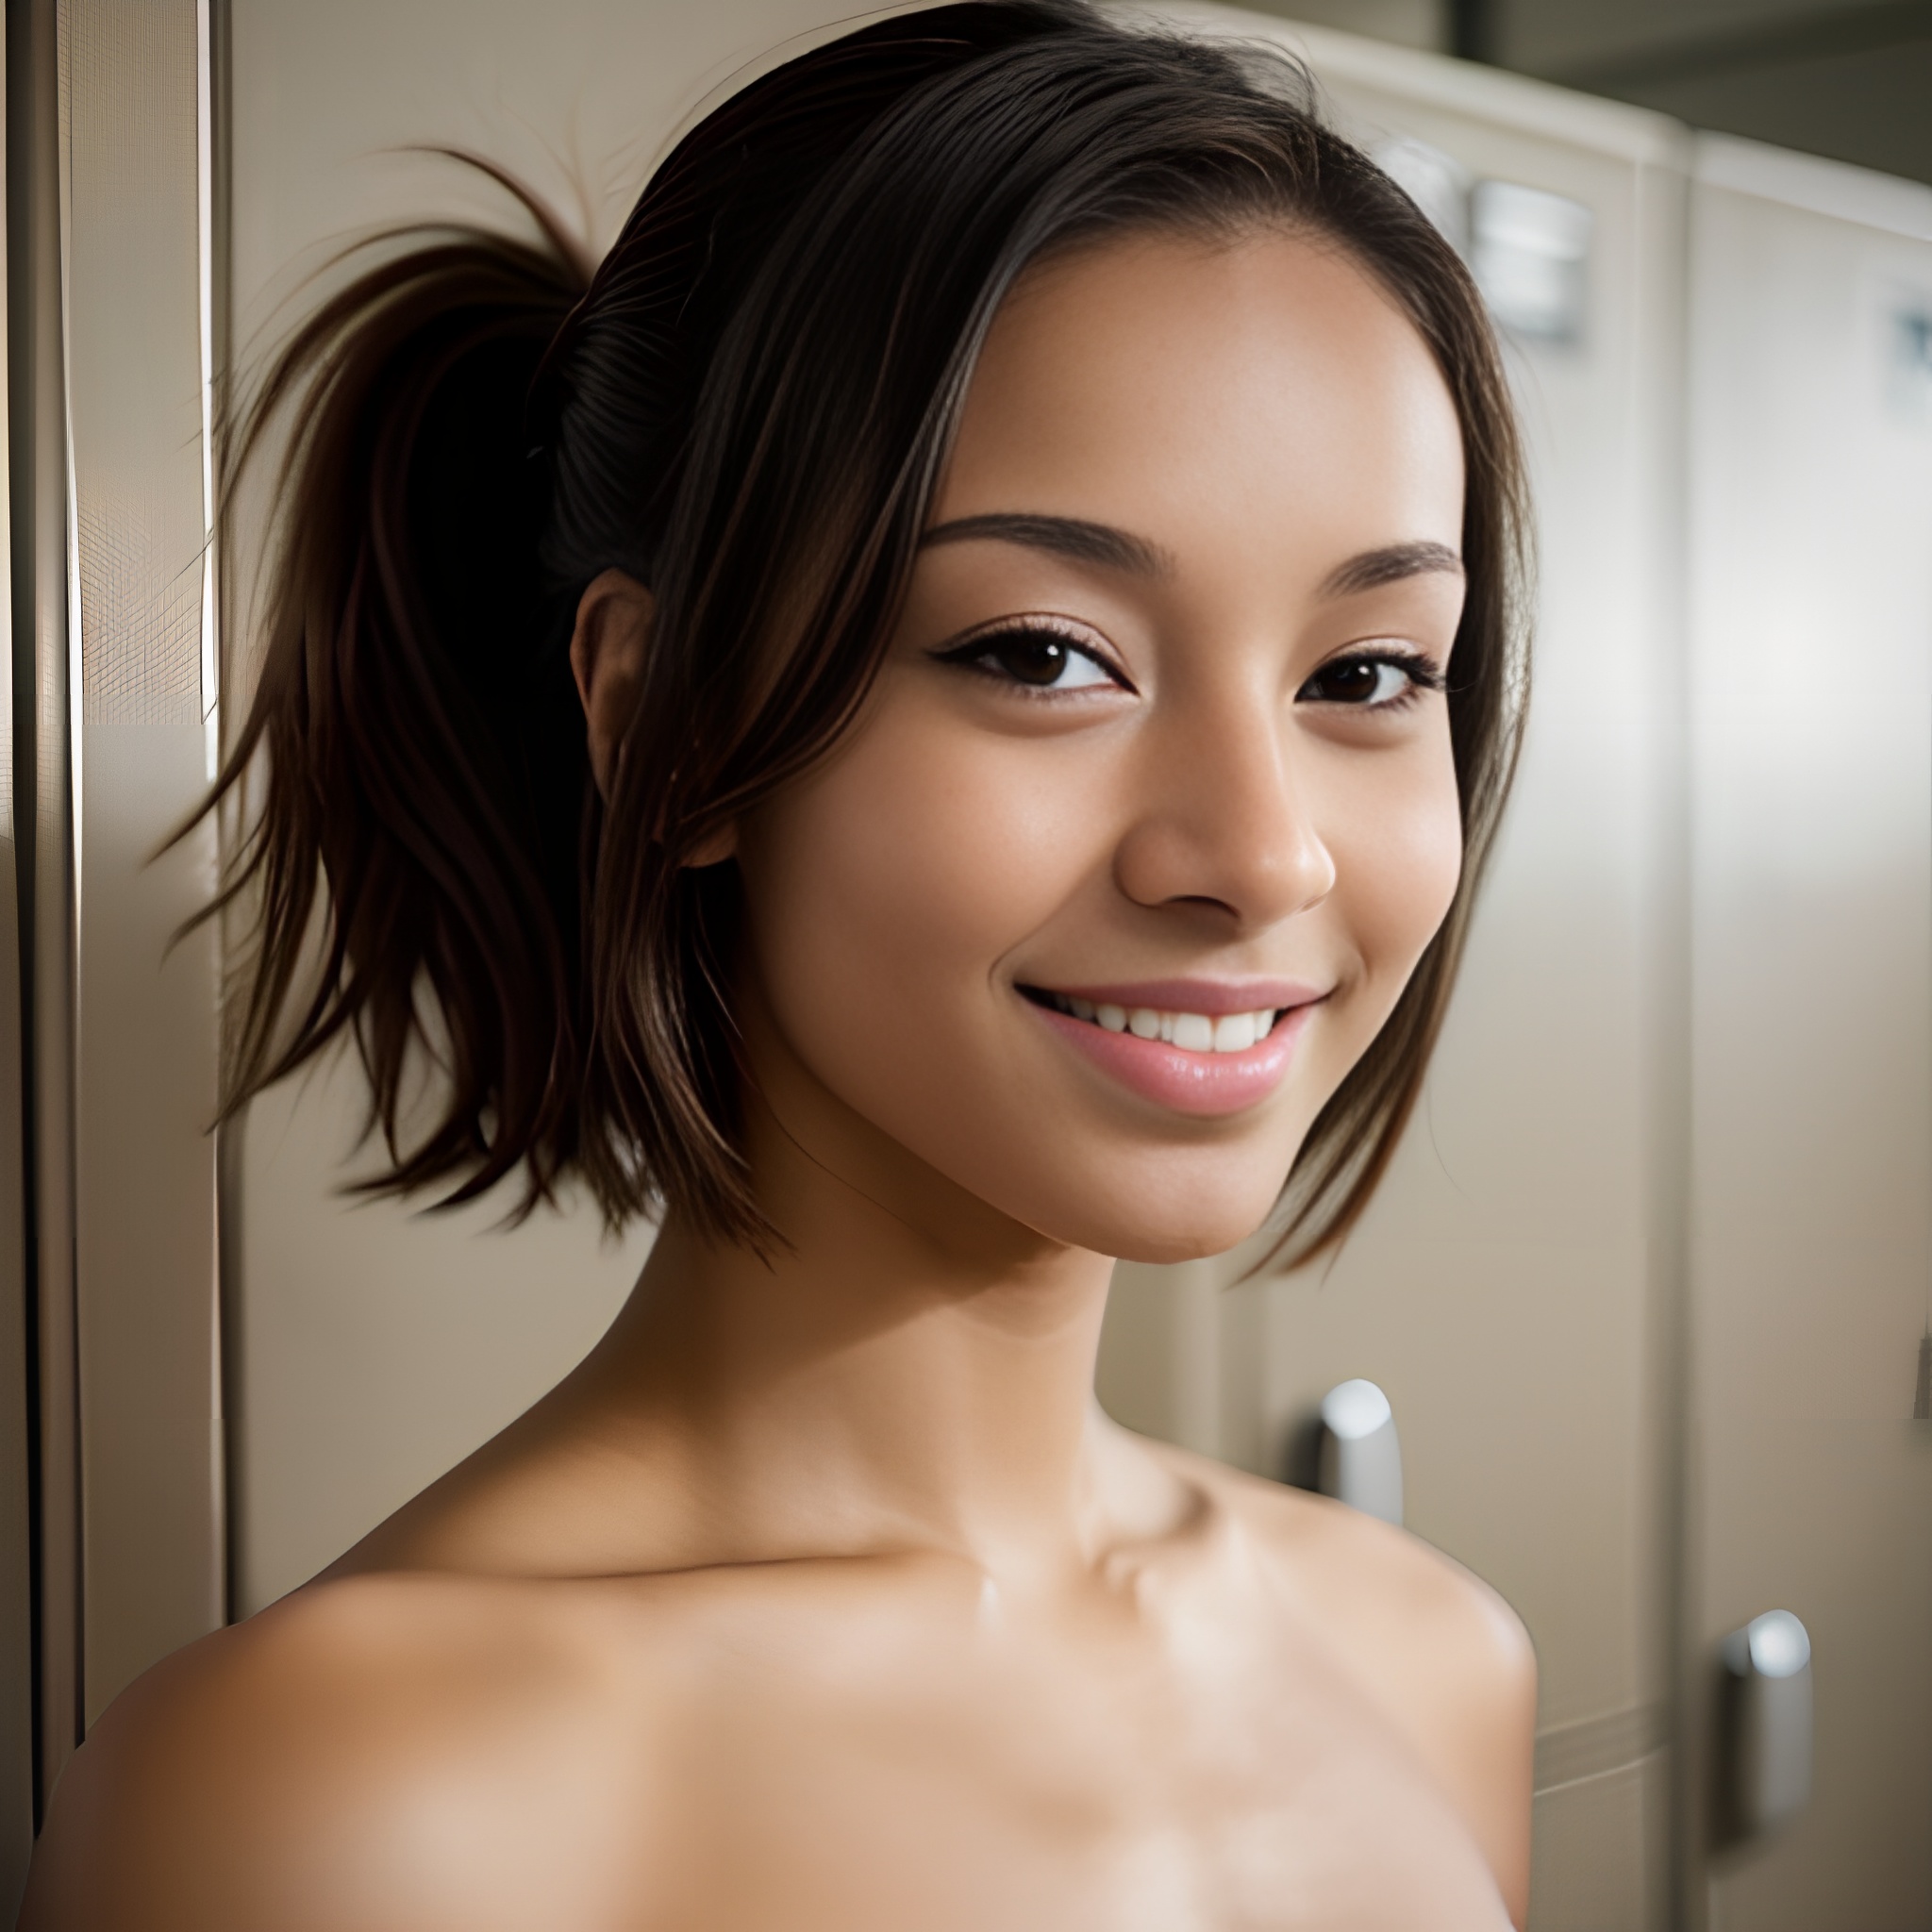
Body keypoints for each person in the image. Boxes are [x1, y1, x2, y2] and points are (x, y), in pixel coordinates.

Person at [21, 2, 1538, 1924]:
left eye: (1368, 673)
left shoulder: (1430, 1661)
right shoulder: (333, 1799)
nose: (1260, 854)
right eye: (1043, 654)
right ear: (666, 724)